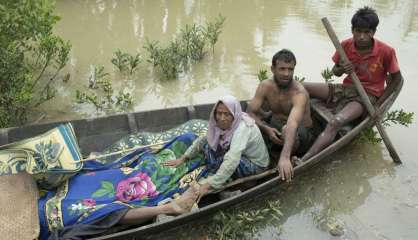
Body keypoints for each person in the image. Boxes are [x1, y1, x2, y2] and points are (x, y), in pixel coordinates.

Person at [299, 6, 403, 162]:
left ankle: (305, 159)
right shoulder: (346, 45)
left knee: (336, 122)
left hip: (367, 96)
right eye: (358, 31)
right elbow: (335, 71)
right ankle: (306, 121)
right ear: (352, 30)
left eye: (367, 32)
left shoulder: (386, 51)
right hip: (346, 89)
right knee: (300, 86)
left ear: (373, 32)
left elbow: (396, 80)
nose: (362, 36)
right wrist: (342, 68)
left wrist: (378, 106)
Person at [164, 95, 270, 198]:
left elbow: (232, 161)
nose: (222, 118)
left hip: (257, 166)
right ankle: (217, 172)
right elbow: (205, 139)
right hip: (240, 154)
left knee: (226, 160)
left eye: (227, 114)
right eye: (219, 113)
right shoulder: (223, 123)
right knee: (209, 144)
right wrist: (183, 158)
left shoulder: (242, 129)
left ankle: (246, 183)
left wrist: (208, 185)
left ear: (234, 114)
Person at [247, 49, 313, 182]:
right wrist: (266, 129)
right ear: (273, 69)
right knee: (246, 121)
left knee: (285, 129)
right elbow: (249, 112)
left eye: (290, 69)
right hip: (277, 125)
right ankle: (273, 153)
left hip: (301, 134)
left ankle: (282, 157)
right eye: (282, 69)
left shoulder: (299, 92)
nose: (286, 74)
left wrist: (285, 157)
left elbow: (292, 123)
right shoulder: (265, 86)